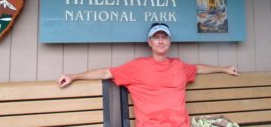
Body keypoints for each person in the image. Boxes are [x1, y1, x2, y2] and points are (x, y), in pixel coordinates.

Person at [58, 23, 238, 127]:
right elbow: (106, 72)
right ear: (149, 42)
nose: (160, 41)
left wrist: (224, 69)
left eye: (164, 37)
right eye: (156, 37)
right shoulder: (137, 67)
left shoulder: (179, 65)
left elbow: (198, 68)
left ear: (169, 41)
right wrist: (75, 76)